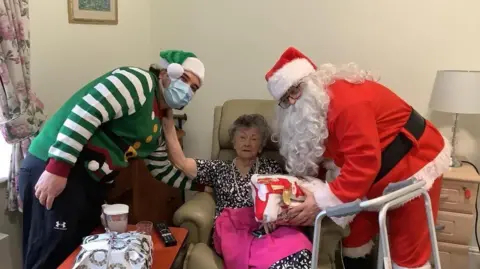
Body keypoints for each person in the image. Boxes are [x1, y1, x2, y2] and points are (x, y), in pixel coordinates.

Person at [263, 47, 451, 269]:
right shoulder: (313, 113)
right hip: (368, 177)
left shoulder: (347, 104)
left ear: (311, 82)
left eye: (295, 91)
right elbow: (322, 159)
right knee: (354, 238)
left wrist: (322, 200)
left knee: (408, 251)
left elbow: (364, 160)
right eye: (285, 99)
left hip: (415, 162)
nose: (292, 102)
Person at [18, 49, 205, 269]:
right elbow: (86, 113)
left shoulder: (159, 122)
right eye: (183, 79)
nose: (187, 90)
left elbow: (161, 169)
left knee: (81, 254)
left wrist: (202, 185)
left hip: (88, 183)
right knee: (50, 253)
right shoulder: (137, 82)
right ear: (165, 72)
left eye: (193, 88)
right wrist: (57, 169)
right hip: (54, 166)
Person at [162, 113, 313, 269]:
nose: (247, 143)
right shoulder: (219, 168)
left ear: (261, 146)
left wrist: (276, 215)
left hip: (267, 226)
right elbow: (181, 163)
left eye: (254, 139)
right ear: (233, 143)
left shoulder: (271, 167)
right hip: (231, 229)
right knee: (261, 259)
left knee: (298, 245)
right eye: (242, 137)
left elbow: (287, 195)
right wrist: (168, 125)